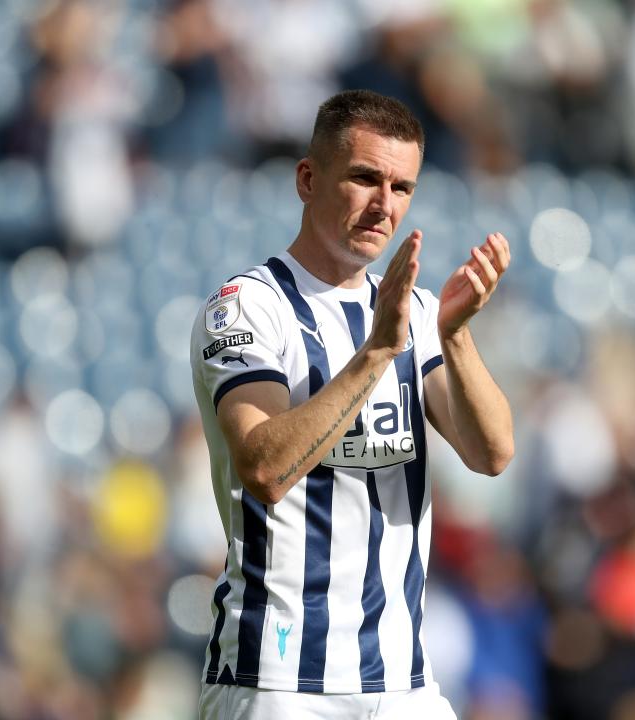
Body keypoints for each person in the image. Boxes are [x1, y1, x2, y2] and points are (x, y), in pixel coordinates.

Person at [190, 89, 514, 719]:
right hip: (278, 677)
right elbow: (264, 468)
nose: (384, 205)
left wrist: (454, 334)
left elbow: (492, 453)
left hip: (401, 680)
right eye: (365, 178)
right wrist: (377, 352)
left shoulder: (417, 314)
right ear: (308, 180)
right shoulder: (248, 307)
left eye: (402, 187)